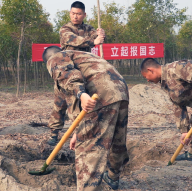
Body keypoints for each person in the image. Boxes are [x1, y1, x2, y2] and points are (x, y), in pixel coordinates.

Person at [43, 46, 129, 191]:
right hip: (120, 90)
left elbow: (69, 75)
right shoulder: (84, 57)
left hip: (98, 95)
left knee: (89, 150)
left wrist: (81, 94)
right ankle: (113, 177)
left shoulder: (56, 58)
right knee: (116, 139)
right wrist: (78, 131)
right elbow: (61, 105)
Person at [47, 1, 106, 146]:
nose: (75, 16)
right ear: (69, 14)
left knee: (79, 103)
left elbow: (98, 39)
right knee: (59, 104)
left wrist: (101, 35)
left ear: (84, 15)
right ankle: (53, 135)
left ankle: (79, 133)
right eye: (73, 13)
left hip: (84, 71)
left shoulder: (88, 29)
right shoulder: (65, 29)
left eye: (79, 14)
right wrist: (93, 41)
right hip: (66, 70)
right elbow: (74, 40)